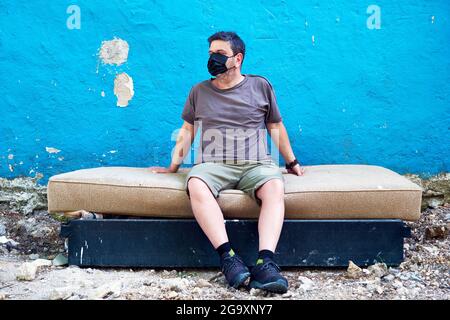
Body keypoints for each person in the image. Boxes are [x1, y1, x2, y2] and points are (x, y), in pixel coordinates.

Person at [149, 31, 305, 293]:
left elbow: (275, 126)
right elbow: (187, 130)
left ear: (238, 58)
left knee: (275, 188)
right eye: (211, 54)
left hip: (256, 164)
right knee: (196, 183)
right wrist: (173, 167)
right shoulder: (199, 91)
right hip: (213, 165)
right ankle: (229, 259)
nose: (213, 59)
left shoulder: (260, 86)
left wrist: (292, 162)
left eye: (220, 54)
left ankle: (265, 263)